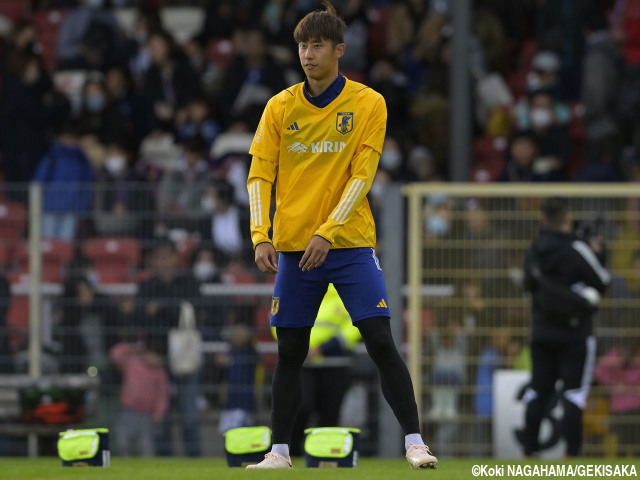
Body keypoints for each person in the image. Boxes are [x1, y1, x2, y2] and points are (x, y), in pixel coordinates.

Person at [245, 2, 437, 469]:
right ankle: (280, 452)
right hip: (293, 247)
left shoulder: (369, 103)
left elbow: (362, 175)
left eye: (316, 46)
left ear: (339, 50)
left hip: (349, 244)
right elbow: (258, 174)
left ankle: (415, 443)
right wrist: (260, 235)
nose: (307, 55)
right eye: (302, 46)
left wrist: (329, 232)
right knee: (290, 350)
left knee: (379, 338)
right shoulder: (279, 107)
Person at [521, 197, 610, 458]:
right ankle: (572, 455)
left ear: (542, 219)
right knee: (574, 394)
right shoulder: (577, 249)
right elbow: (602, 281)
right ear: (568, 218)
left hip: (542, 332)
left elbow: (529, 285)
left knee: (538, 390)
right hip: (575, 334)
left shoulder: (533, 250)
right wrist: (597, 253)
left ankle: (529, 453)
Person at [289, 284, 362, 456]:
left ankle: (324, 455)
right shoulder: (301, 293)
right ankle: (292, 451)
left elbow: (353, 329)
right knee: (302, 407)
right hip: (305, 364)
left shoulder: (345, 297)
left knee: (330, 412)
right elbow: (279, 322)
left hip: (336, 363)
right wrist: (299, 347)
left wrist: (321, 349)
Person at [110, 341, 170, 457]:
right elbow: (115, 354)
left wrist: (159, 412)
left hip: (146, 415)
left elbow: (162, 395)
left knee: (145, 445)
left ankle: (147, 468)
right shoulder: (133, 362)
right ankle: (125, 463)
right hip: (128, 410)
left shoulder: (160, 373)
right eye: (156, 357)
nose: (157, 361)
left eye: (161, 358)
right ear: (147, 353)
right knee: (123, 440)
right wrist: (130, 347)